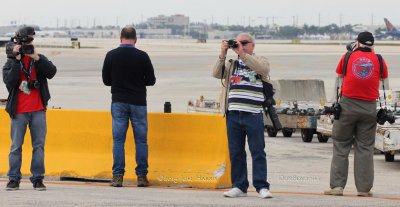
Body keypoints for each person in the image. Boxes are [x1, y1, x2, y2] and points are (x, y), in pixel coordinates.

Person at [324, 32, 388, 197]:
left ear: (357, 43)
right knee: (365, 148)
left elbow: (339, 77)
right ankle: (364, 189)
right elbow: (384, 80)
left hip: (348, 106)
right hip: (369, 108)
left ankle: (337, 187)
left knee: (341, 144)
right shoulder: (379, 59)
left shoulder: (347, 57)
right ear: (372, 45)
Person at [212, 33, 273, 199]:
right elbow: (216, 74)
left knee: (258, 151)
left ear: (252, 45)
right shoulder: (232, 64)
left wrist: (243, 54)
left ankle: (262, 186)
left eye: (245, 43)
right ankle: (239, 186)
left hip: (253, 114)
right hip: (233, 114)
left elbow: (264, 70)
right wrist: (223, 53)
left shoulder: (260, 60)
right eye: (238, 43)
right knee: (236, 152)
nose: (241, 46)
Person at [2, 26, 57, 191]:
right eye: (27, 42)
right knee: (16, 146)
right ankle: (13, 179)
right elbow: (9, 82)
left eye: (31, 41)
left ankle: (38, 178)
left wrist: (37, 57)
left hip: (38, 109)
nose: (29, 44)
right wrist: (17, 60)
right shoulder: (11, 62)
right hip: (18, 111)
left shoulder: (38, 59)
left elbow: (52, 72)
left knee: (39, 145)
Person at [102, 26, 156, 187]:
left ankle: (118, 176)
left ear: (120, 38)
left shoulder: (111, 55)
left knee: (118, 140)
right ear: (135, 39)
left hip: (118, 102)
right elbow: (151, 80)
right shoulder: (142, 56)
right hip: (138, 102)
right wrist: (139, 82)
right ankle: (141, 176)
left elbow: (106, 81)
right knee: (141, 140)